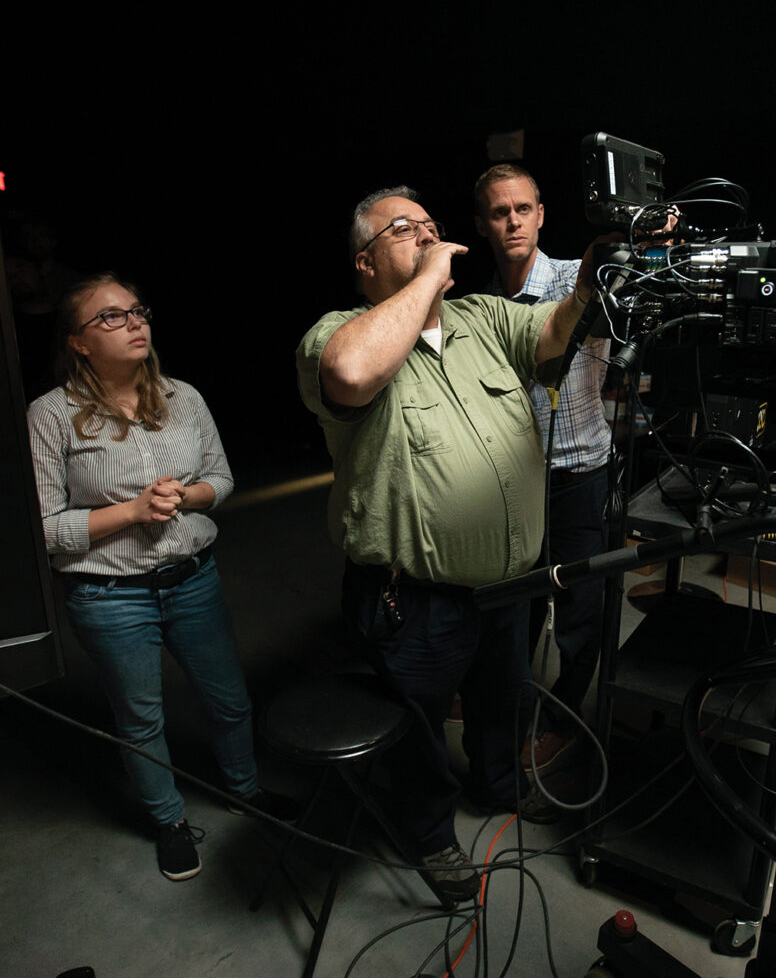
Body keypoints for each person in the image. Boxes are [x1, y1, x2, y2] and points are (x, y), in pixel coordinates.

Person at [296, 186, 596, 900]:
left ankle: (497, 785)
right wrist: (430, 275)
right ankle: (430, 834)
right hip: (415, 596)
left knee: (502, 701)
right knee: (419, 726)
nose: (429, 236)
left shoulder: (483, 317)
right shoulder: (335, 333)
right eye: (405, 230)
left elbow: (552, 335)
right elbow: (351, 374)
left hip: (507, 586)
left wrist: (588, 279)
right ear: (365, 263)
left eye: (432, 227)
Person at [28, 272, 297, 882]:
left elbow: (222, 481)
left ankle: (245, 792)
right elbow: (42, 529)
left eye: (139, 312)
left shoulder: (184, 397)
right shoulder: (50, 417)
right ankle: (170, 822)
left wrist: (189, 494)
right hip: (109, 595)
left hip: (192, 579)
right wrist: (130, 510)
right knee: (140, 717)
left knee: (229, 700)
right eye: (113, 317)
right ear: (78, 342)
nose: (135, 323)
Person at [474, 164, 611, 773]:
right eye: (500, 212)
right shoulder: (478, 304)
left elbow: (611, 295)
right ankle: (500, 707)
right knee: (512, 606)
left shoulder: (576, 280)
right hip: (514, 481)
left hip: (580, 474)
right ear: (482, 225)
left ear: (541, 214)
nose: (512, 222)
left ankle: (561, 722)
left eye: (522, 209)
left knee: (581, 612)